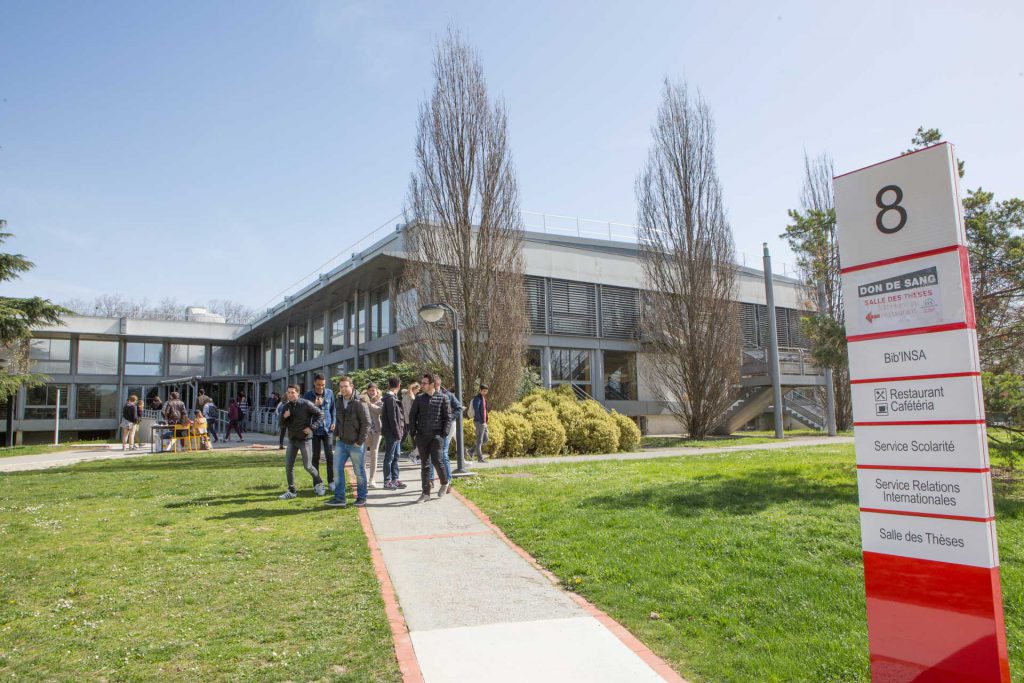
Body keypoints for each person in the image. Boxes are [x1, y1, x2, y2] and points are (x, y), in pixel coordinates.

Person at [326, 376, 370, 508]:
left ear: (352, 386)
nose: (343, 389)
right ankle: (340, 498)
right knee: (337, 469)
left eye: (346, 386)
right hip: (341, 442)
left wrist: (359, 441)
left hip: (356, 444)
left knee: (359, 472)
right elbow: (337, 419)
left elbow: (367, 423)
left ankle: (361, 498)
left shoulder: (359, 402)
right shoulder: (339, 401)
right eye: (341, 386)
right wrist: (337, 435)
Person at [408, 373, 451, 502]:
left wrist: (444, 434)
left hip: (437, 436)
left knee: (437, 461)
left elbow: (447, 417)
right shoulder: (419, 398)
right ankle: (425, 493)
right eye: (422, 383)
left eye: (424, 383)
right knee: (425, 465)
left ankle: (445, 482)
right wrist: (413, 432)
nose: (422, 385)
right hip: (422, 436)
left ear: (432, 384)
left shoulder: (443, 398)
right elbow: (412, 416)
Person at [278, 384, 326, 500]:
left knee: (308, 466)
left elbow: (321, 414)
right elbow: (281, 425)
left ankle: (319, 484)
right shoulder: (286, 407)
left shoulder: (306, 404)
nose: (290, 395)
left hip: (305, 440)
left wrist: (312, 427)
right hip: (292, 440)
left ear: (298, 393)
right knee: (288, 466)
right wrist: (284, 417)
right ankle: (292, 491)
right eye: (288, 393)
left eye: (293, 392)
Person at [303, 373, 336, 492]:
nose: (321, 387)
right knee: (315, 457)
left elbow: (333, 409)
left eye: (323, 385)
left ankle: (331, 481)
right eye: (318, 385)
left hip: (327, 429)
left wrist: (334, 421)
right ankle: (317, 483)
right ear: (314, 383)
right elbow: (304, 413)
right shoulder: (307, 395)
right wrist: (314, 405)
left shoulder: (330, 393)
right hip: (314, 431)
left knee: (329, 456)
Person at [381, 376, 407, 490]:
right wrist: (398, 432)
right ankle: (387, 481)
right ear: (399, 385)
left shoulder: (393, 397)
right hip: (392, 433)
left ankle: (394, 479)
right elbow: (393, 419)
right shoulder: (390, 399)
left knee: (396, 456)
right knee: (389, 457)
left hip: (397, 433)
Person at [362, 383, 383, 489]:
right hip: (365, 431)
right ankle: (362, 478)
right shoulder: (362, 400)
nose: (372, 392)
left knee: (374, 454)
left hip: (376, 431)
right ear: (367, 391)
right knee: (363, 454)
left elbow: (380, 411)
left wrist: (369, 404)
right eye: (370, 390)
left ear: (377, 390)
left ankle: (372, 479)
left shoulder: (380, 400)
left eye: (374, 390)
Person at [469, 384, 489, 462]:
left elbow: (484, 410)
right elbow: (477, 411)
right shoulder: (477, 399)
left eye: (486, 391)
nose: (485, 393)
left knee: (486, 439)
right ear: (480, 390)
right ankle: (480, 459)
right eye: (484, 391)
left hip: (484, 422)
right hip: (479, 422)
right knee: (480, 440)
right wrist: (481, 421)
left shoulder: (483, 398)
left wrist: (486, 421)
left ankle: (471, 450)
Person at [401, 382, 420, 463]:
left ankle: (416, 456)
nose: (418, 391)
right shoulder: (410, 397)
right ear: (414, 388)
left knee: (415, 439)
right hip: (412, 421)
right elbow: (411, 411)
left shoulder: (406, 396)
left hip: (408, 420)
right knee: (417, 439)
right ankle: (414, 456)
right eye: (418, 390)